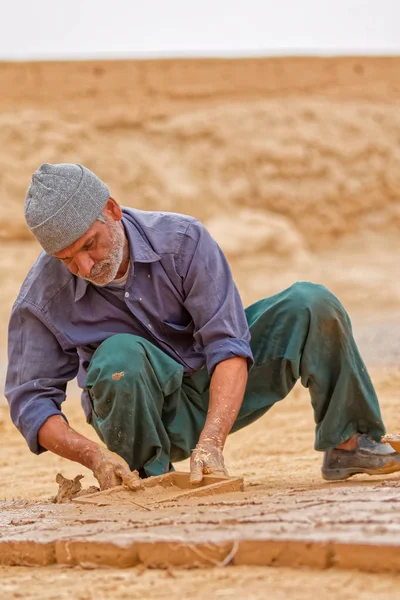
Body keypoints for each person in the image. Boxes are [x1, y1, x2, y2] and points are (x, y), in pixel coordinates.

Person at [5, 163, 400, 490]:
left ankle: (349, 445)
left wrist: (212, 442)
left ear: (111, 210)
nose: (86, 268)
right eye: (67, 259)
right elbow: (31, 402)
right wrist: (94, 455)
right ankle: (148, 478)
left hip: (220, 388)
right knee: (120, 356)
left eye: (90, 245)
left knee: (311, 302)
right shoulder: (42, 298)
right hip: (141, 414)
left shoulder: (182, 240)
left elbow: (227, 343)